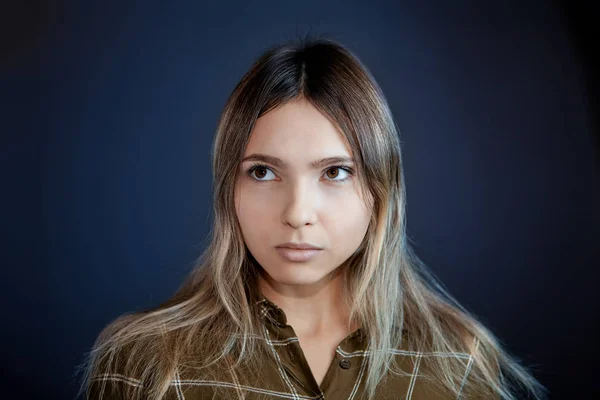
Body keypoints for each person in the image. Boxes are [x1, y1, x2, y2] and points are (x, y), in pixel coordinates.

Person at [79, 37, 547, 400]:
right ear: (228, 189)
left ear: (381, 191)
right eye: (262, 172)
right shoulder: (146, 365)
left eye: (335, 172)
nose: (298, 213)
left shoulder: (457, 362)